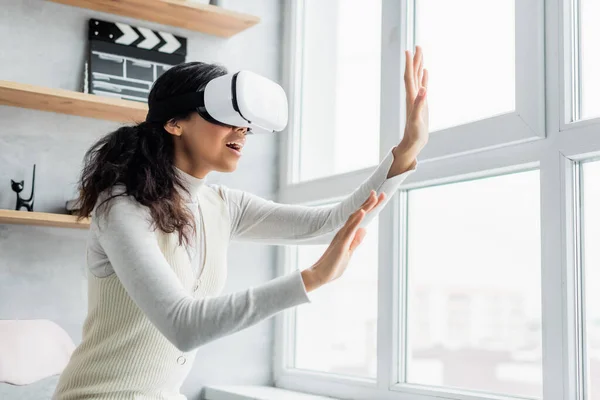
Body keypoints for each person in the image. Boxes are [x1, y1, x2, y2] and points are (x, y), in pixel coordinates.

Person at [53, 47, 429, 399]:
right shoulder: (121, 207)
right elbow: (182, 325)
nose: (243, 129)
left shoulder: (221, 205)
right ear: (174, 123)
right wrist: (312, 278)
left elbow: (330, 224)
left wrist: (405, 151)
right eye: (224, 115)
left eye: (245, 120)